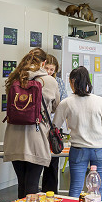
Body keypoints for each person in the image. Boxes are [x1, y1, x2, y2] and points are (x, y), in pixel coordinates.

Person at [3, 48, 60, 198]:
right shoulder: (49, 81)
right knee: (32, 185)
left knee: (21, 183)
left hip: (13, 137)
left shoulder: (14, 78)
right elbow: (55, 107)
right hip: (36, 136)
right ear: (44, 62)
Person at [53, 66, 102, 198]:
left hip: (78, 149)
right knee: (99, 187)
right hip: (100, 150)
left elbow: (55, 126)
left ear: (72, 81)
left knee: (75, 187)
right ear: (88, 81)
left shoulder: (66, 103)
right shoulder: (100, 102)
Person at [41, 54, 68, 193]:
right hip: (39, 126)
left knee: (53, 162)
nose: (49, 72)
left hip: (53, 127)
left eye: (52, 69)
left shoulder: (59, 82)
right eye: (47, 68)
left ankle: (50, 192)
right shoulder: (38, 80)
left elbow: (63, 102)